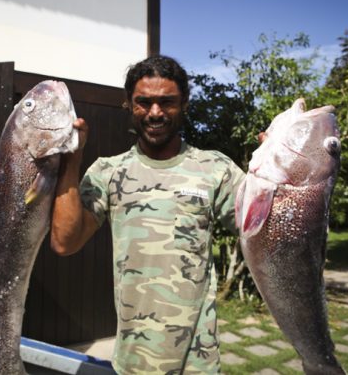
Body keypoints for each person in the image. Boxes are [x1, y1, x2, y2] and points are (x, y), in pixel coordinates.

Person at [51, 55, 245, 374]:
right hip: (133, 362)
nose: (155, 113)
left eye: (167, 102)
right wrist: (72, 160)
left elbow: (265, 227)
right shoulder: (108, 172)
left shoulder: (216, 170)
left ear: (184, 104)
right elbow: (64, 242)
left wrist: (284, 169)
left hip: (198, 364)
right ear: (129, 104)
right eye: (144, 102)